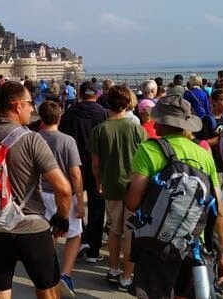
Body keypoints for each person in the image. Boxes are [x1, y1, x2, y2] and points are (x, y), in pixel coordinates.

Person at [0, 81, 72, 299]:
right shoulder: (32, 139)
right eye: (29, 103)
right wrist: (62, 218)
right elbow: (63, 189)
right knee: (48, 291)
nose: (32, 108)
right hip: (31, 227)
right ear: (17, 106)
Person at [125, 94, 223, 299]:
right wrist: (221, 253)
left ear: (162, 122)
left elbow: (132, 202)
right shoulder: (203, 154)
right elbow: (218, 211)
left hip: (155, 243)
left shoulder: (148, 150)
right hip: (192, 242)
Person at [90, 84, 147, 291]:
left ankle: (113, 269)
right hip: (134, 187)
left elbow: (95, 164)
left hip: (111, 185)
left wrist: (98, 182)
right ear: (128, 103)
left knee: (114, 230)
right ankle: (127, 276)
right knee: (131, 233)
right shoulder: (137, 128)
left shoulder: (99, 130)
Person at [38, 101, 85, 297]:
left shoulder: (34, 138)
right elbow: (75, 173)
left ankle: (49, 273)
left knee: (47, 235)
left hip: (40, 193)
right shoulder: (67, 141)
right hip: (64, 193)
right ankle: (65, 274)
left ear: (41, 117)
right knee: (74, 234)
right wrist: (80, 202)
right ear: (60, 117)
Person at [59, 81, 108, 264]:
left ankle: (80, 239)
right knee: (97, 207)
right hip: (97, 165)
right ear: (96, 94)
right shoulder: (103, 114)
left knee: (75, 205)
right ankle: (94, 250)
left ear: (80, 94)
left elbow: (63, 136)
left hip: (74, 165)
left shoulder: (70, 113)